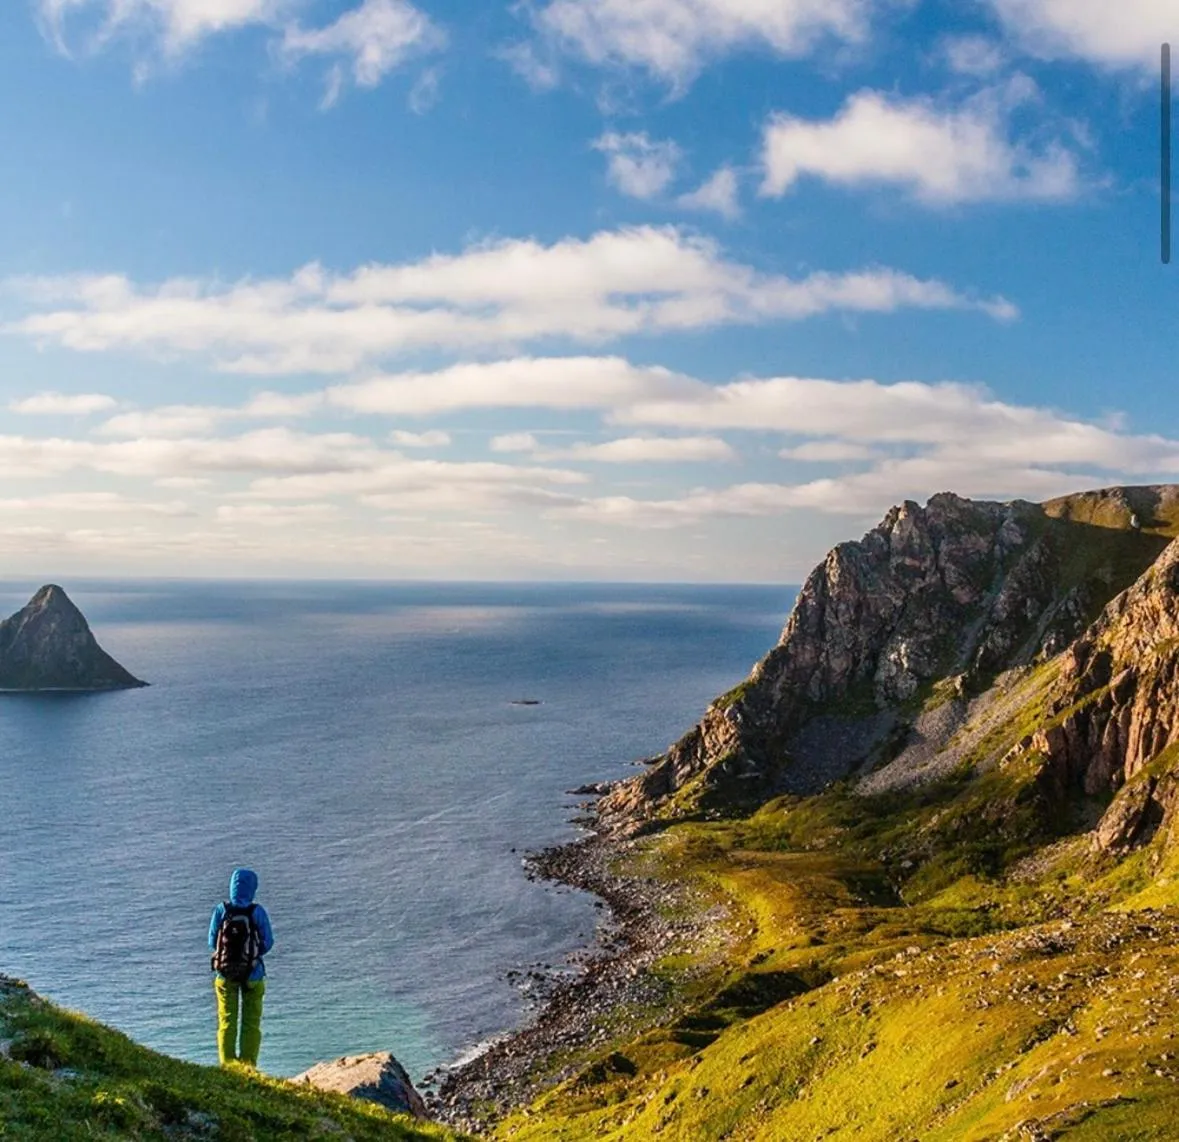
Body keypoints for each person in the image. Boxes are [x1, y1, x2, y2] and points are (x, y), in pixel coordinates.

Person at [208, 867, 274, 1068]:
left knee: (226, 1021)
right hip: (253, 974)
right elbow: (268, 942)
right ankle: (248, 1064)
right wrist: (252, 955)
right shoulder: (257, 912)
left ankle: (228, 1064)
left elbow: (212, 942)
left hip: (224, 975)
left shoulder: (221, 910)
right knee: (251, 1022)